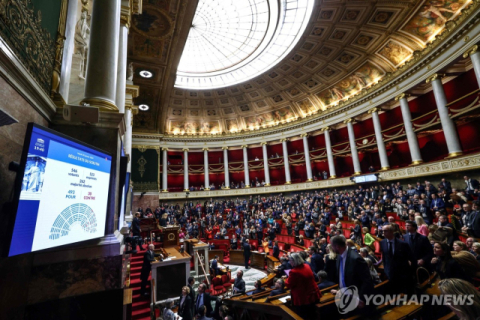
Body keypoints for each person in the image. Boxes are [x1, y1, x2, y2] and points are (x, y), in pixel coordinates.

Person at [330, 235, 375, 316]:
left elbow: (367, 281)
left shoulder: (355, 258)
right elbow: (343, 277)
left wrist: (360, 299)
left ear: (337, 246)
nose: (332, 249)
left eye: (332, 246)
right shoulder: (339, 256)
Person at [283, 252, 321, 319]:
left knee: (304, 316)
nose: (289, 262)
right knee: (312, 314)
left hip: (303, 298)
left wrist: (286, 279)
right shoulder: (307, 266)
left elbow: (288, 284)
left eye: (290, 260)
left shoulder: (294, 272)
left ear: (294, 261)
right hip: (313, 294)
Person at [380, 224, 416, 294]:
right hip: (390, 273)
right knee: (394, 292)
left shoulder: (402, 244)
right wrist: (386, 269)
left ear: (391, 231)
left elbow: (412, 258)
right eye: (382, 231)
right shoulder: (382, 242)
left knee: (405, 292)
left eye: (385, 231)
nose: (383, 233)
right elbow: (385, 257)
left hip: (403, 273)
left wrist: (410, 271)